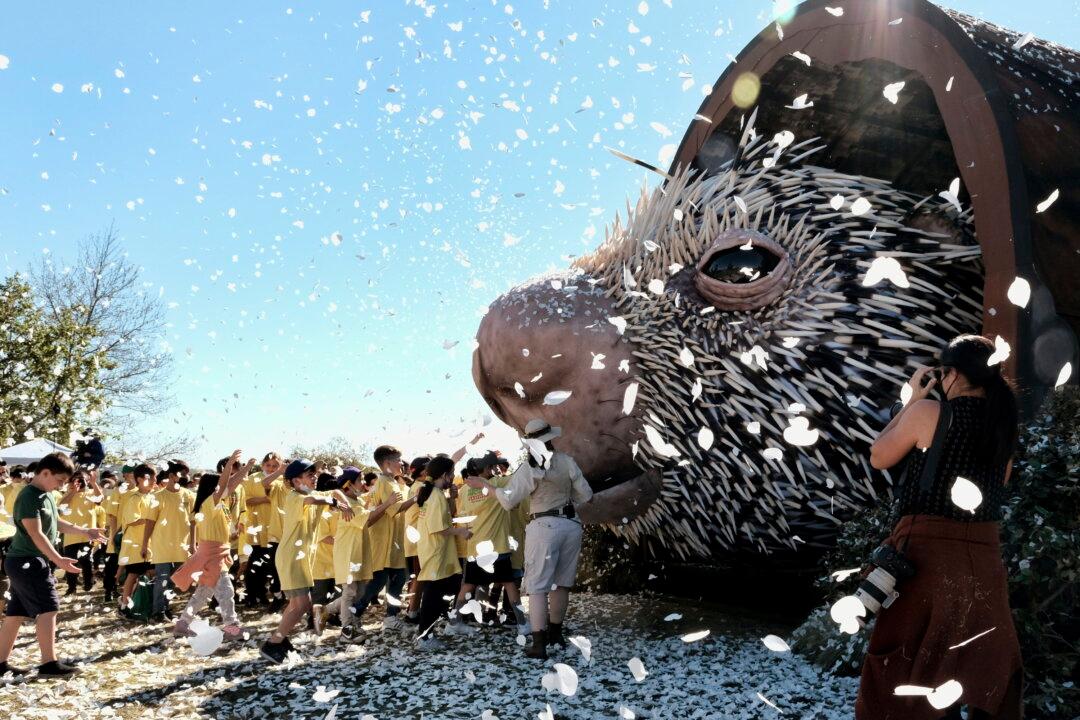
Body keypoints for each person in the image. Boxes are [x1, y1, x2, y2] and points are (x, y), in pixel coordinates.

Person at [856, 335, 1023, 720]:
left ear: (951, 374)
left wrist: (912, 400)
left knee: (912, 665)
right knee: (979, 662)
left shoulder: (929, 412)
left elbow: (879, 455)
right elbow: (1003, 481)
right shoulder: (1003, 426)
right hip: (983, 559)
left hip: (926, 557)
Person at [481, 418, 593, 659]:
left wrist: (490, 490)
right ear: (550, 437)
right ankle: (556, 634)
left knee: (538, 586)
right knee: (561, 583)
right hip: (571, 524)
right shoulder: (566, 461)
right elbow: (586, 494)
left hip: (543, 525)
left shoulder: (529, 467)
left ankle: (539, 644)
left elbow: (509, 500)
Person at [0, 453, 105, 678]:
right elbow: (36, 533)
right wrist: (58, 559)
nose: (61, 485)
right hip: (27, 561)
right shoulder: (29, 496)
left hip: (25, 561)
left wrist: (85, 531)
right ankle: (48, 663)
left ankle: (0, 664)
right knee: (49, 608)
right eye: (59, 480)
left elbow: (56, 522)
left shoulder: (46, 495)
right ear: (45, 473)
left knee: (16, 614)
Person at [259, 458, 354, 664]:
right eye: (309, 475)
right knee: (301, 605)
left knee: (300, 603)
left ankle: (280, 639)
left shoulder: (314, 493)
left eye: (315, 474)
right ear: (295, 481)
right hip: (291, 557)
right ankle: (273, 643)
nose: (315, 477)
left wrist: (340, 499)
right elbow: (313, 501)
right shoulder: (294, 497)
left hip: (301, 558)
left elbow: (334, 492)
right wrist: (336, 503)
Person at [170, 451, 253, 640]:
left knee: (202, 593)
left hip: (216, 552)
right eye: (220, 485)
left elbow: (230, 485)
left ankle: (182, 625)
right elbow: (226, 484)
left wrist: (246, 468)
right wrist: (231, 463)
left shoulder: (220, 504)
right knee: (227, 592)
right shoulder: (210, 502)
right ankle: (232, 626)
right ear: (212, 488)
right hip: (212, 555)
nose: (225, 487)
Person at [452, 453, 528, 634]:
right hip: (497, 547)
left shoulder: (463, 490)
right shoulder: (497, 483)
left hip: (474, 547)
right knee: (509, 584)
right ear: (487, 470)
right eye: (493, 467)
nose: (495, 470)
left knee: (468, 585)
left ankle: (453, 623)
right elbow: (519, 477)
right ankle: (523, 624)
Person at [327, 467, 396, 643]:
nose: (363, 484)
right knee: (350, 591)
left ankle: (326, 610)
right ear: (349, 485)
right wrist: (388, 503)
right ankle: (346, 630)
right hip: (347, 553)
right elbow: (370, 515)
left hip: (359, 553)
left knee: (360, 591)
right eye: (360, 480)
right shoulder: (349, 505)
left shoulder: (356, 500)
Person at [350, 445, 412, 631]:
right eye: (398, 460)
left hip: (395, 541)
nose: (401, 463)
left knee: (399, 578)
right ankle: (355, 613)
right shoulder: (384, 483)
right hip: (383, 541)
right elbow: (396, 508)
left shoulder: (394, 482)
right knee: (379, 580)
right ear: (387, 463)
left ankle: (390, 617)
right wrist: (417, 498)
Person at [413, 455, 471, 650]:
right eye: (452, 474)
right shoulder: (435, 496)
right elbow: (438, 528)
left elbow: (446, 518)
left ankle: (443, 626)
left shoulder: (435, 494)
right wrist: (461, 531)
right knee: (433, 595)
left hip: (438, 552)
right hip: (436, 551)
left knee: (450, 585)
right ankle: (425, 637)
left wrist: (453, 498)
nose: (453, 478)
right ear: (445, 475)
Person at [142, 460, 195, 621]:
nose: (186, 477)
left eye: (187, 473)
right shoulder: (157, 496)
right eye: (182, 474)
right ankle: (157, 612)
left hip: (182, 546)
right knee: (162, 579)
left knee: (174, 581)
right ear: (172, 475)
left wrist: (193, 544)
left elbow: (193, 522)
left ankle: (166, 608)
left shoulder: (190, 496)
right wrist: (145, 544)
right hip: (162, 545)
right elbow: (150, 522)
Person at [116, 464, 158, 615]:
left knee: (151, 572)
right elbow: (132, 520)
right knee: (132, 575)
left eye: (155, 478)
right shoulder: (134, 498)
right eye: (151, 478)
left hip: (149, 544)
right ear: (140, 480)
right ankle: (124, 604)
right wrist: (151, 520)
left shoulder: (152, 497)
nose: (155, 481)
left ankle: (139, 602)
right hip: (134, 544)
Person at [57, 469, 101, 595]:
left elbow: (99, 499)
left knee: (86, 559)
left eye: (81, 480)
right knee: (71, 561)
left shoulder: (91, 493)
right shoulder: (66, 494)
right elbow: (61, 506)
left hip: (87, 534)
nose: (78, 482)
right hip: (71, 535)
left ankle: (88, 582)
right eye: (75, 479)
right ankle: (71, 587)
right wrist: (73, 492)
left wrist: (93, 483)